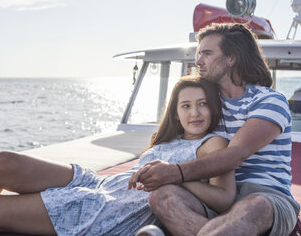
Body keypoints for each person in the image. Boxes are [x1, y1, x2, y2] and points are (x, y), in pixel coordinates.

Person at [0, 76, 233, 236]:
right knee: (4, 162)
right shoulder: (169, 139)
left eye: (203, 104)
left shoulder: (212, 144)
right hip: (100, 184)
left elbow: (224, 199)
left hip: (112, 211)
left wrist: (177, 175)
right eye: (186, 105)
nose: (195, 112)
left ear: (213, 108)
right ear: (175, 112)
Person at [129, 23, 300, 236]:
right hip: (215, 194)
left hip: (266, 196)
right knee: (161, 196)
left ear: (232, 58)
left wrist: (175, 172)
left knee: (254, 206)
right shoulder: (207, 105)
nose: (198, 61)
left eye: (207, 53)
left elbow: (234, 156)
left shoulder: (269, 100)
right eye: (198, 54)